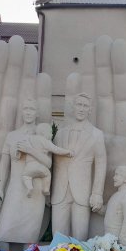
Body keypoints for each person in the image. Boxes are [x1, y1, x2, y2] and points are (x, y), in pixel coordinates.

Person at [51, 93, 107, 241]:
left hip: (82, 193)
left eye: (85, 106)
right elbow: (53, 163)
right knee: (58, 238)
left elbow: (101, 164)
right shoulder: (60, 134)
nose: (81, 109)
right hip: (60, 192)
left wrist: (97, 193)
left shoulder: (96, 135)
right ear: (73, 107)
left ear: (90, 110)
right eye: (79, 105)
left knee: (80, 238)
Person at [0, 99, 50, 246]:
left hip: (35, 189)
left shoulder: (43, 135)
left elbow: (48, 163)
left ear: (37, 113)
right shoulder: (12, 136)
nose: (28, 112)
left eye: (32, 109)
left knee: (30, 236)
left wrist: (30, 150)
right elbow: (4, 164)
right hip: (15, 186)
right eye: (26, 109)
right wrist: (0, 188)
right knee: (3, 232)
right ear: (21, 112)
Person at [19, 122, 73, 197]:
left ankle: (29, 187)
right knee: (47, 175)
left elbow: (22, 144)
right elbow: (56, 149)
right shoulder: (45, 141)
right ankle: (46, 189)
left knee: (25, 176)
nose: (52, 134)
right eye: (50, 132)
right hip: (41, 167)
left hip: (29, 167)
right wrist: (67, 152)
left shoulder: (30, 138)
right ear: (43, 133)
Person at [102, 165, 126, 248]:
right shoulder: (115, 195)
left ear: (125, 179)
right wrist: (97, 207)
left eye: (117, 175)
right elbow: (106, 211)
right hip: (108, 234)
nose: (114, 177)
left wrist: (123, 237)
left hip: (117, 237)